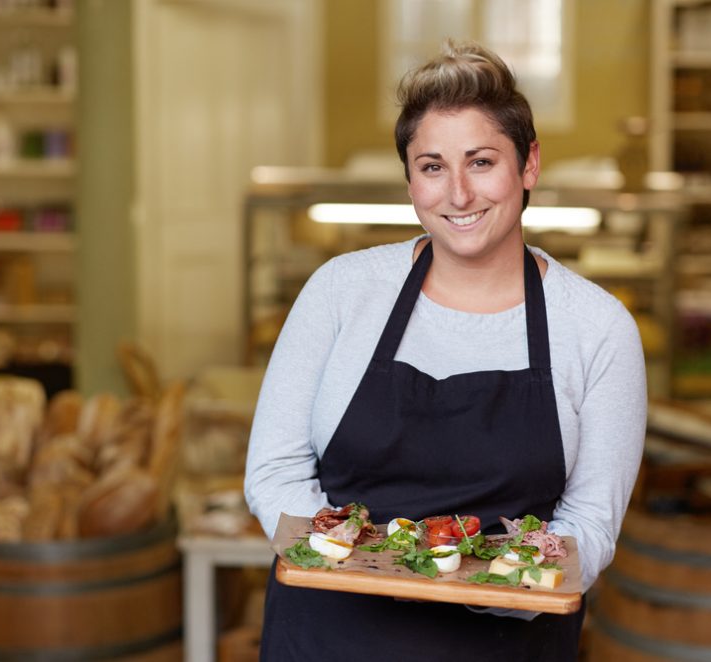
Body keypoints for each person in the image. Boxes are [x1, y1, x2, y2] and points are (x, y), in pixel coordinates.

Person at [244, 40, 646, 660]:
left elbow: (590, 523)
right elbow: (274, 471)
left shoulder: (597, 327)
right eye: (432, 166)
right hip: (329, 637)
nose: (458, 194)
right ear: (411, 180)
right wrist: (366, 563)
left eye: (481, 162)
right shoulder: (341, 291)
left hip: (508, 641)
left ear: (529, 165)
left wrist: (477, 581)